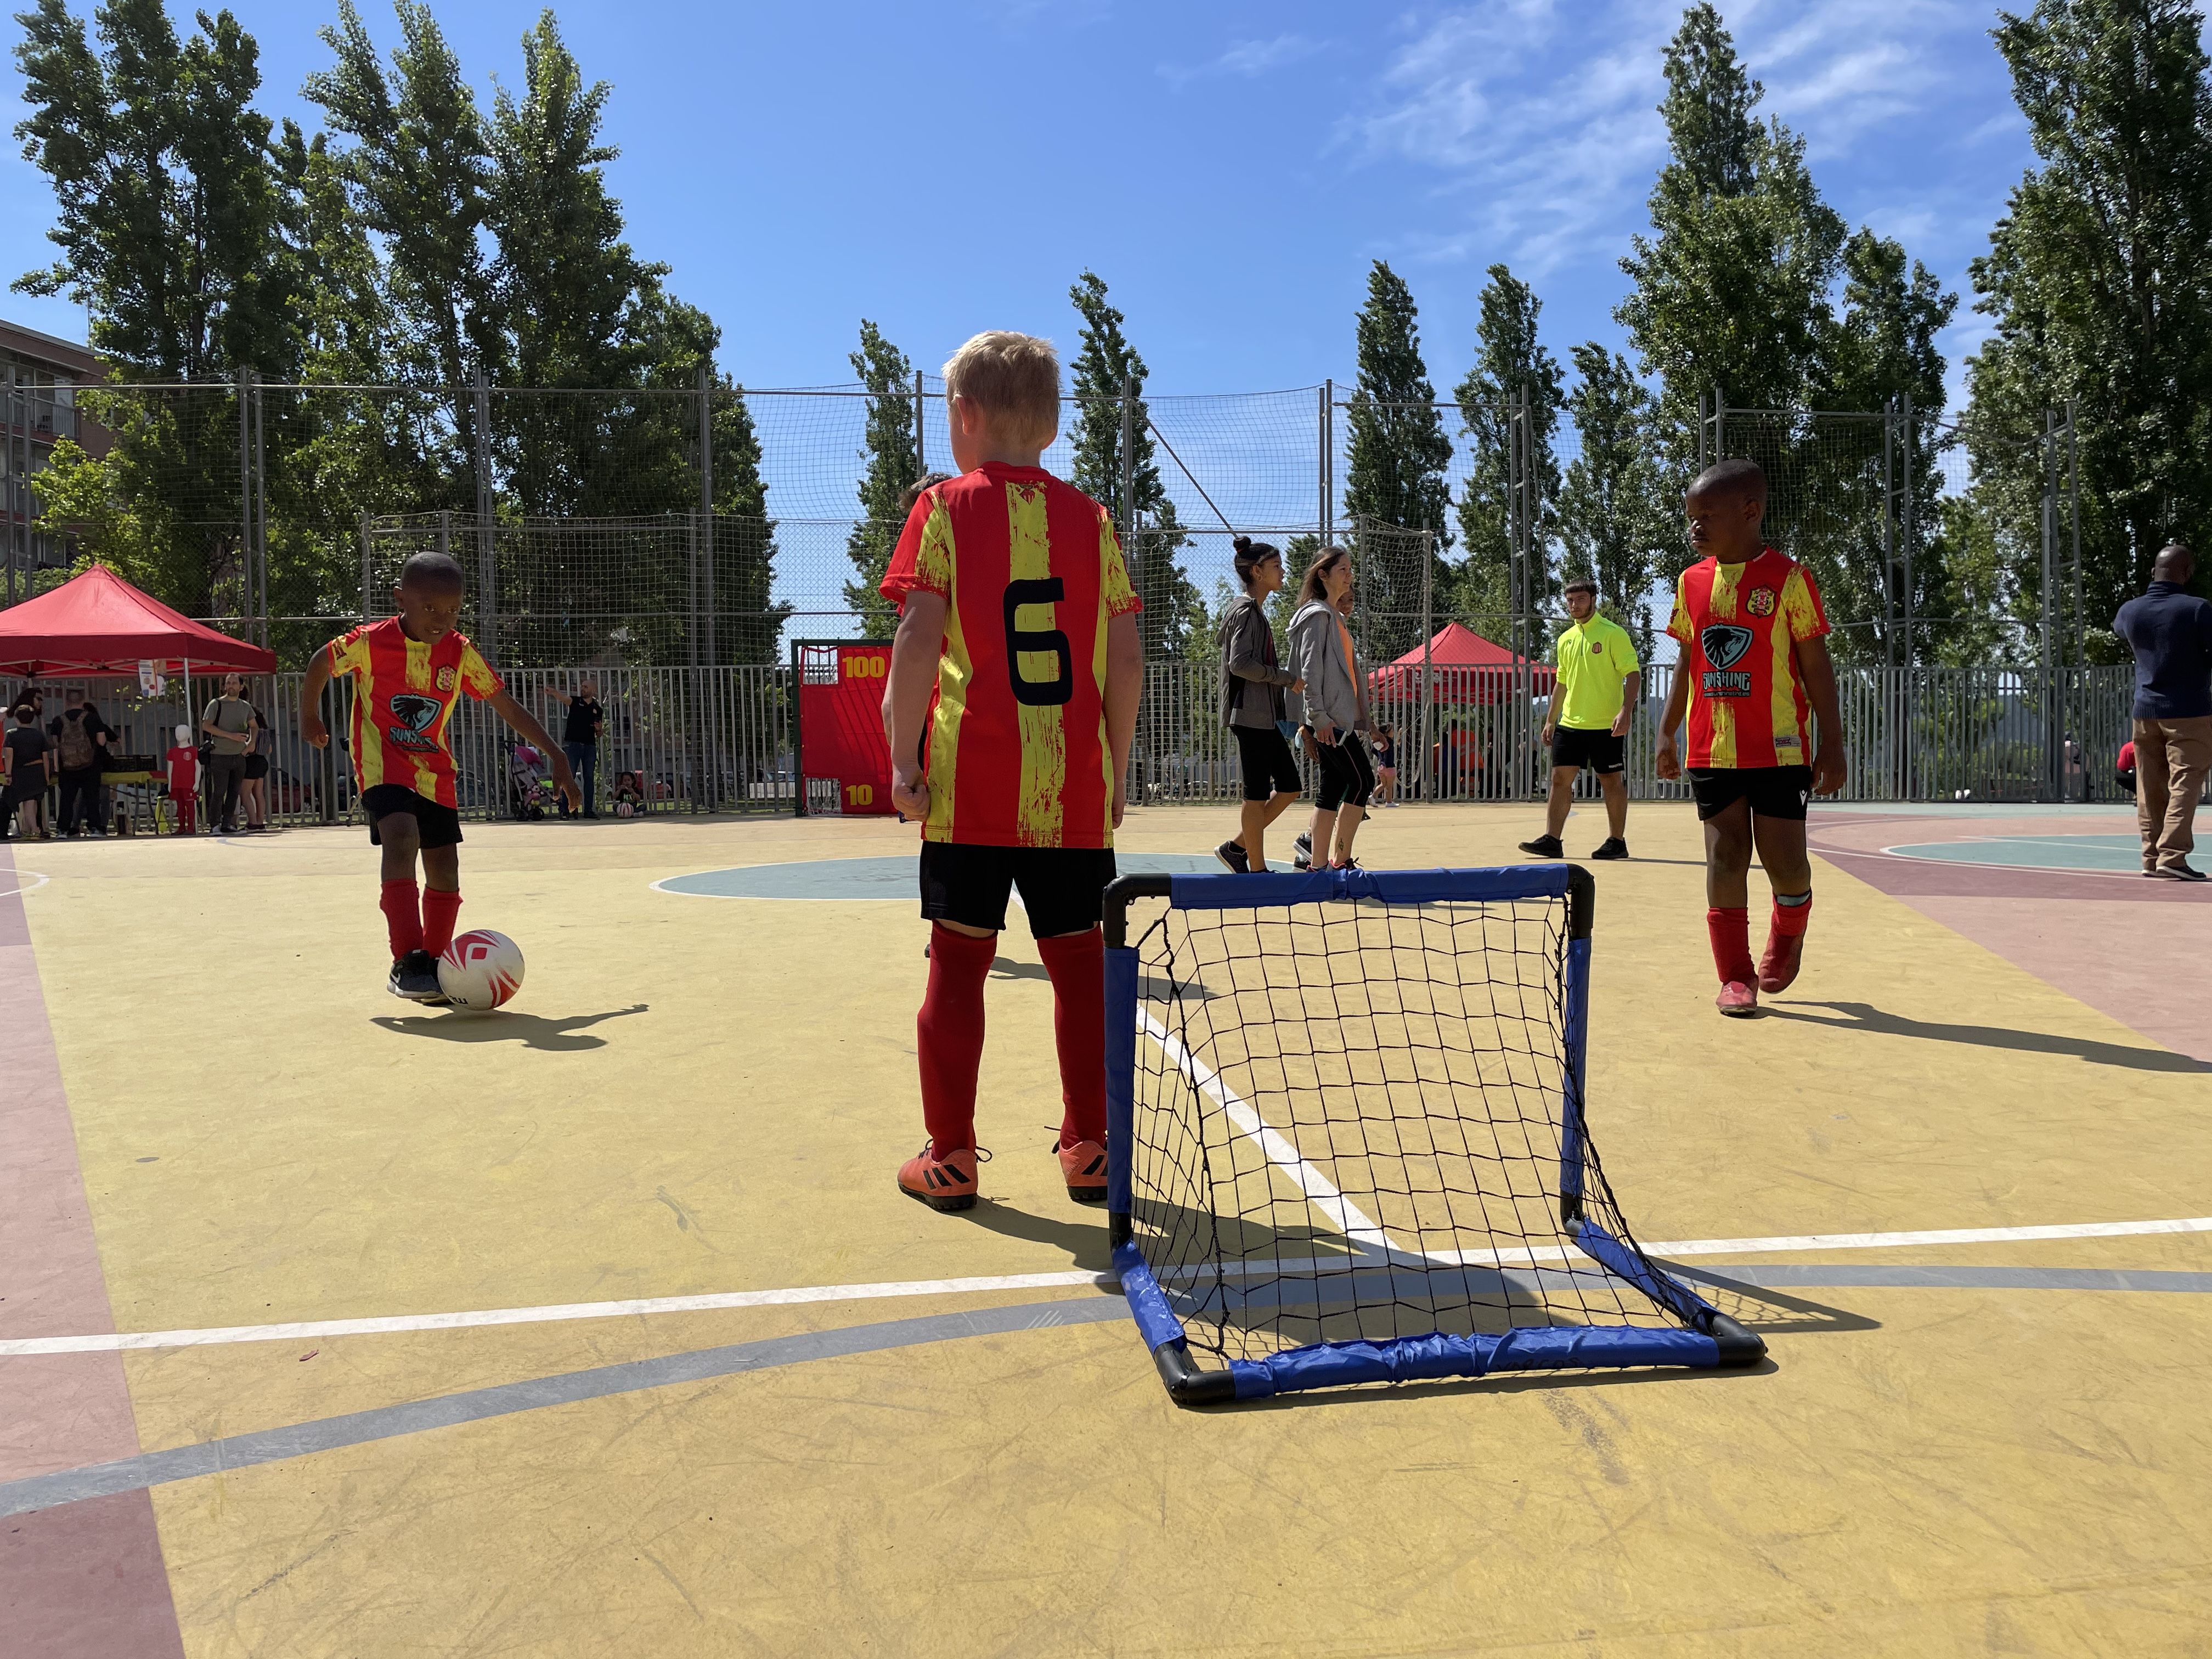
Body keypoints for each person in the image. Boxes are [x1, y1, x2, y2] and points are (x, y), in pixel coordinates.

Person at [877, 330, 1143, 1213]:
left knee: (956, 970)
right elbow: (1128, 657)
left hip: (971, 791)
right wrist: (1117, 767)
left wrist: (902, 758)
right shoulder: (1094, 521)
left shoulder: (945, 509)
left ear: (963, 415)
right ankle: (1092, 1149)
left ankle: (951, 1157)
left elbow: (918, 642)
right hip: (1071, 791)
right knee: (1081, 973)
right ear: (1055, 426)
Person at [300, 551, 579, 1001]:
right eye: (430, 607)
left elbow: (505, 704)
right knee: (400, 834)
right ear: (401, 599)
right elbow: (319, 662)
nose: (442, 618)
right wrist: (309, 716)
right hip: (381, 762)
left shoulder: (460, 652)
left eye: (452, 609)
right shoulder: (370, 642)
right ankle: (406, 959)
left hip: (434, 771)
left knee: (445, 867)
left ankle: (434, 963)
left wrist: (556, 756)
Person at [1655, 459, 1846, 1017]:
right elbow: (1687, 660)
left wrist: (1831, 744)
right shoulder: (1691, 582)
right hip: (1711, 747)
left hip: (1781, 748)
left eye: (1706, 515)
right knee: (1726, 856)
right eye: (1691, 518)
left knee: (1785, 862)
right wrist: (1666, 730)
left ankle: (1789, 930)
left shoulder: (1789, 579)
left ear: (1751, 512)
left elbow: (1817, 665)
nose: (1695, 527)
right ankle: (1736, 976)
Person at [1519, 575, 1641, 861]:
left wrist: (1627, 710)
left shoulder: (1613, 633)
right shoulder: (1565, 639)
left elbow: (1633, 674)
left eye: (1581, 599)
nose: (1575, 605)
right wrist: (1551, 720)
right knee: (1560, 779)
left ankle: (1617, 841)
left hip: (1605, 724)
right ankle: (1552, 840)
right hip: (1570, 724)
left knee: (1610, 780)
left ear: (1593, 600)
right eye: (1570, 601)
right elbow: (1562, 681)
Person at [2112, 542, 2212, 881]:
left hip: (2144, 710)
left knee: (2149, 784)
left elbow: (2123, 631)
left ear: (2153, 572)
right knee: (2186, 780)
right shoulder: (2197, 609)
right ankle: (2173, 855)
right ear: (2186, 573)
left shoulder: (2130, 611)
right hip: (2189, 710)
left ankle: (2151, 857)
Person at [1216, 534, 1304, 872]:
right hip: (1249, 715)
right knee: (1255, 793)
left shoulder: (1254, 612)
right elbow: (1240, 664)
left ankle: (1237, 848)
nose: (1283, 572)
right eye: (1276, 567)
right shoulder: (1246, 612)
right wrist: (1283, 677)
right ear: (1256, 571)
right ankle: (1257, 868)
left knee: (1290, 787)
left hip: (1262, 718)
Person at [1287, 548, 1372, 871]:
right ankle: (1340, 861)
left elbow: (1349, 674)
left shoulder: (1334, 616)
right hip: (1329, 720)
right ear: (1323, 575)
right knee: (1362, 781)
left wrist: (1367, 722)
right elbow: (1310, 671)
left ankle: (1318, 864)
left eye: (1351, 568)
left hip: (1339, 719)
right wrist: (1318, 718)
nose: (1349, 574)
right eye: (1342, 569)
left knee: (1333, 787)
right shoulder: (1317, 616)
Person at [50, 693, 111, 837]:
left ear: (66, 702)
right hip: (91, 766)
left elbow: (55, 743)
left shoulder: (58, 721)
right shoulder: (93, 718)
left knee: (67, 799)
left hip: (67, 767)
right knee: (92, 798)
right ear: (83, 702)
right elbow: (102, 742)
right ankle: (95, 828)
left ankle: (63, 829)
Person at [201, 673, 255, 834]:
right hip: (219, 754)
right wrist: (231, 736)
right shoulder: (215, 704)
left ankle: (227, 824)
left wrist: (251, 743)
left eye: (234, 683)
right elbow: (206, 726)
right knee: (219, 791)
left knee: (234, 792)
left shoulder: (246, 706)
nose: (230, 686)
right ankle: (214, 825)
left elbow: (255, 726)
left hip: (239, 756)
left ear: (241, 687)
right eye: (228, 683)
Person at [3, 704, 53, 840]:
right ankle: (28, 829)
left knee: (28, 802)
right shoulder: (39, 735)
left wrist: (8, 775)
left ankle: (35, 830)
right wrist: (47, 776)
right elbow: (45, 758)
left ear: (16, 718)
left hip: (21, 772)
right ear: (32, 719)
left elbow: (9, 756)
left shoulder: (12, 735)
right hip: (38, 771)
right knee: (33, 801)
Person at [239, 694, 272, 831]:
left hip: (251, 762)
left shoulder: (251, 731)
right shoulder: (265, 732)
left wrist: (242, 754)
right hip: (262, 762)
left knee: (245, 793)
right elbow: (269, 750)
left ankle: (252, 822)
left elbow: (248, 748)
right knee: (259, 793)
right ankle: (260, 821)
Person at [165, 723, 198, 835]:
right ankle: (181, 827)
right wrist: (170, 783)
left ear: (188, 734)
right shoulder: (172, 752)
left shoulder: (194, 751)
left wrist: (197, 782)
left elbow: (198, 767)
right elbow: (170, 768)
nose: (179, 735)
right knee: (179, 806)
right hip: (176, 784)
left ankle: (191, 827)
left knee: (190, 805)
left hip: (189, 784)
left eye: (182, 732)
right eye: (177, 732)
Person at [1372, 723, 1400, 806]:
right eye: (1392, 731)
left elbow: (1373, 750)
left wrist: (1381, 758)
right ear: (1387, 733)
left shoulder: (1380, 742)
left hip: (1381, 767)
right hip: (1389, 767)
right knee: (1389, 786)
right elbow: (1388, 754)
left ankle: (1373, 796)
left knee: (1383, 784)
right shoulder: (1389, 741)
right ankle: (1389, 802)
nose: (1394, 732)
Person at [2117, 738, 2137, 802]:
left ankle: (2138, 793)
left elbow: (2122, 767)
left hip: (2139, 773)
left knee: (2119, 776)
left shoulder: (2127, 748)